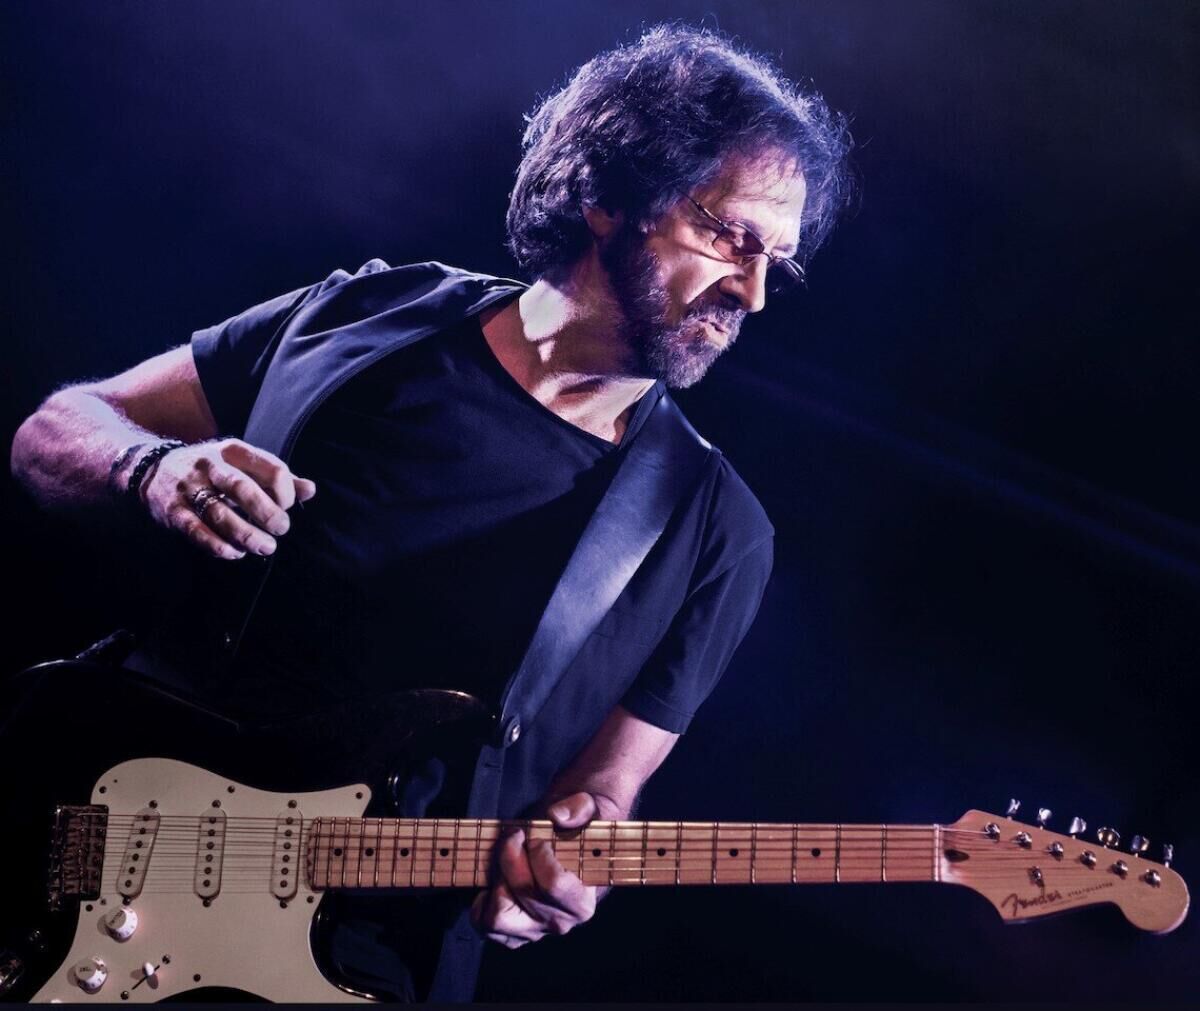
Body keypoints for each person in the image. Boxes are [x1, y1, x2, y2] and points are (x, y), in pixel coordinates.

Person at [10, 23, 852, 1001]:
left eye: (776, 261)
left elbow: (601, 800)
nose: (752, 291)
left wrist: (563, 877)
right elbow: (54, 430)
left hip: (358, 962)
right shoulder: (363, 316)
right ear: (609, 197)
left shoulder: (712, 533)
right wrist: (154, 470)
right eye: (730, 236)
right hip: (87, 832)